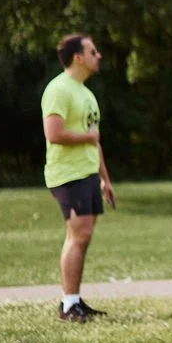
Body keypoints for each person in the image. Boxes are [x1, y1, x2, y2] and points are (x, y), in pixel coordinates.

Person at [41, 33, 116, 323]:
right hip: (67, 174)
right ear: (78, 57)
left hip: (86, 173)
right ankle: (68, 304)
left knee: (83, 238)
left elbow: (95, 142)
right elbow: (54, 134)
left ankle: (75, 300)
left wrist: (105, 179)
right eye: (92, 51)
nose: (98, 56)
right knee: (77, 236)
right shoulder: (59, 89)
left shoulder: (86, 93)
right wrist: (89, 137)